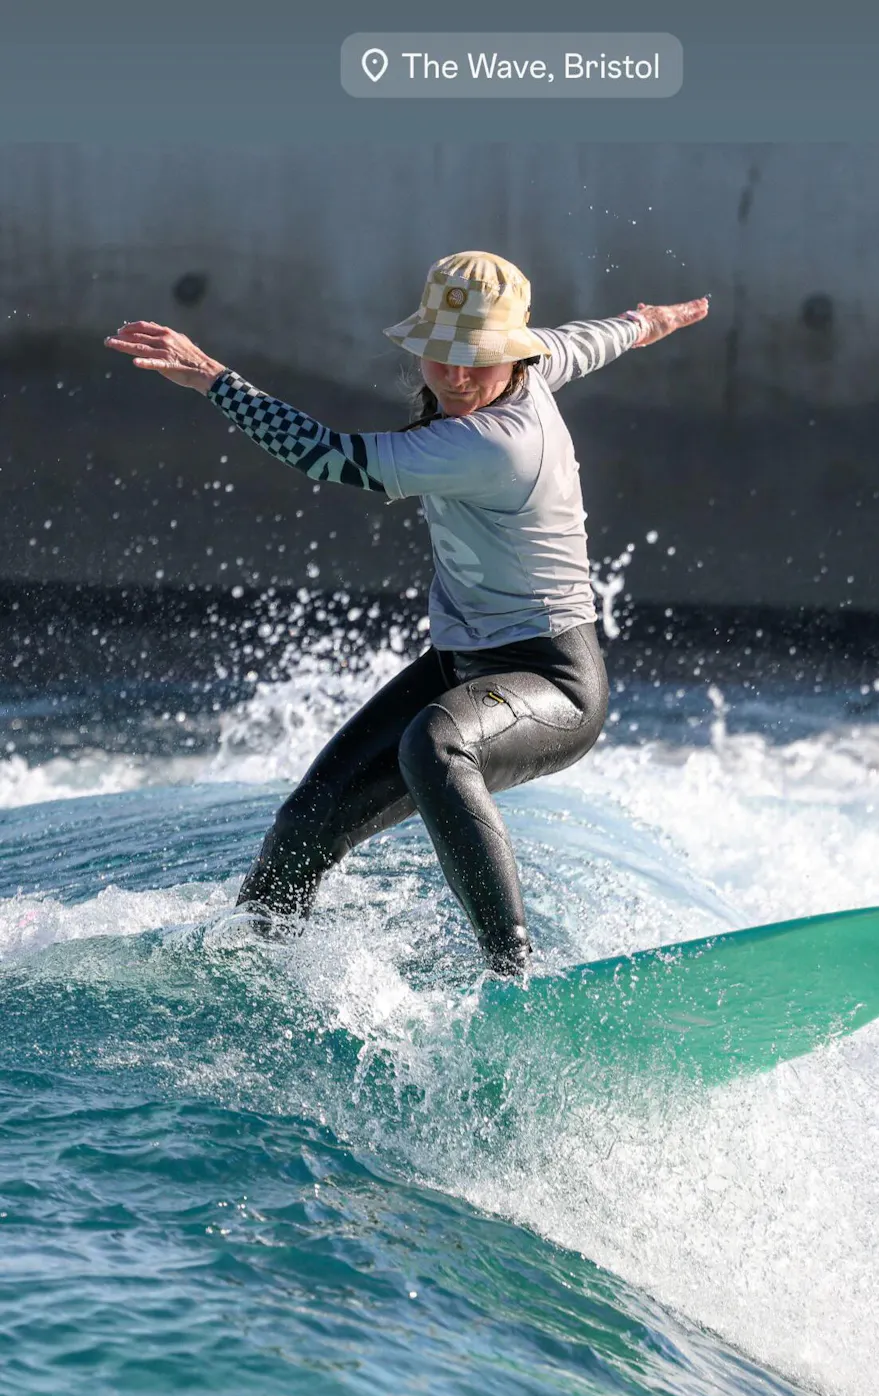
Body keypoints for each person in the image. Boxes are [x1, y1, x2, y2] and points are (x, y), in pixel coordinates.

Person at [105, 251, 709, 977]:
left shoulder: (495, 442)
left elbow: (325, 455)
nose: (456, 377)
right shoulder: (537, 360)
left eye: (476, 361)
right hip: (464, 666)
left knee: (436, 745)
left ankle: (513, 977)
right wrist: (653, 320)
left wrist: (211, 379)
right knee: (309, 819)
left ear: (512, 354)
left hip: (553, 682)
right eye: (440, 357)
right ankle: (254, 967)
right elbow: (599, 336)